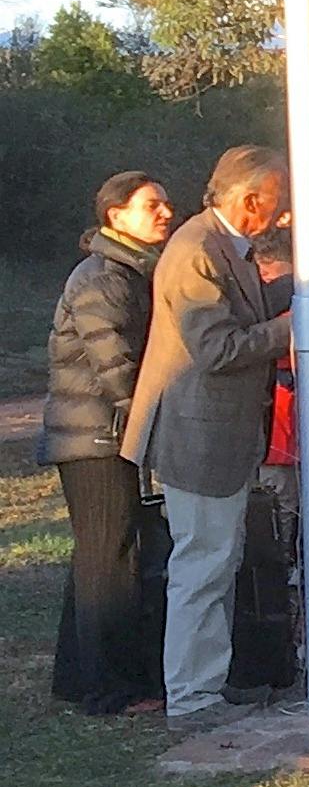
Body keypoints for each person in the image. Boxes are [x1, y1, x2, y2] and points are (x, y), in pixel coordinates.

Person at [119, 147, 294, 725]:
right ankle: (192, 696)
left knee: (218, 560)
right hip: (198, 436)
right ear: (250, 201)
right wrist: (290, 327)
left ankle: (206, 684)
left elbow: (241, 316)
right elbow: (218, 348)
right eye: (278, 197)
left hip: (220, 435)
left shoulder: (221, 246)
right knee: (202, 565)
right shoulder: (197, 250)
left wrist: (296, 287)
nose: (283, 209)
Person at [43, 171, 174, 715]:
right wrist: (150, 430)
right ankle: (109, 691)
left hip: (98, 436)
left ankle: (77, 680)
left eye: (166, 202)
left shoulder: (125, 271)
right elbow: (116, 366)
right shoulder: (102, 278)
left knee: (98, 558)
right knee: (109, 561)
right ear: (115, 216)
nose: (165, 211)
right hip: (96, 440)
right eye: (151, 205)